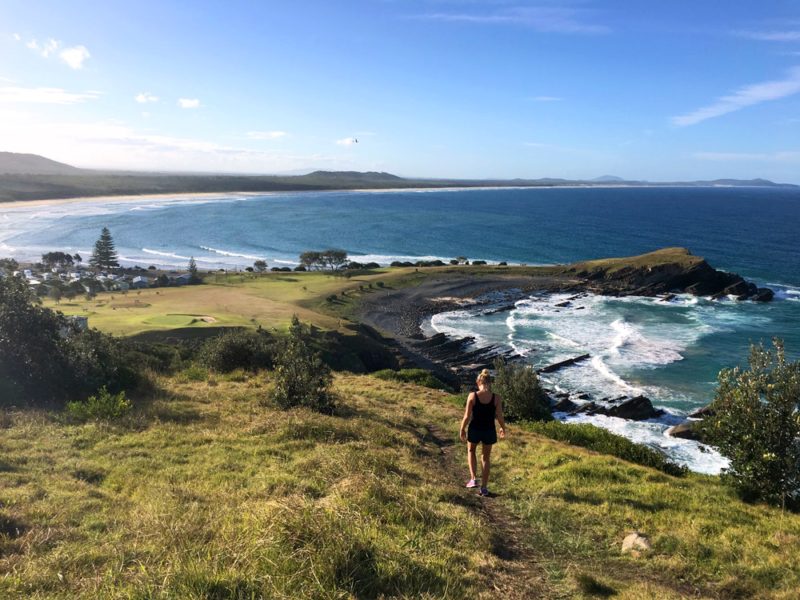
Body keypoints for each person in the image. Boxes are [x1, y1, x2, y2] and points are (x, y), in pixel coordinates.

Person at [459, 368, 506, 497]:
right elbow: (500, 417)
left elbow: (467, 416)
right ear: (490, 383)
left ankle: (473, 479)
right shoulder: (496, 398)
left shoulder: (472, 396)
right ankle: (484, 488)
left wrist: (462, 429)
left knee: (471, 451)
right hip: (489, 431)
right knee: (486, 458)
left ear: (478, 381)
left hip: (474, 429)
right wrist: (503, 428)